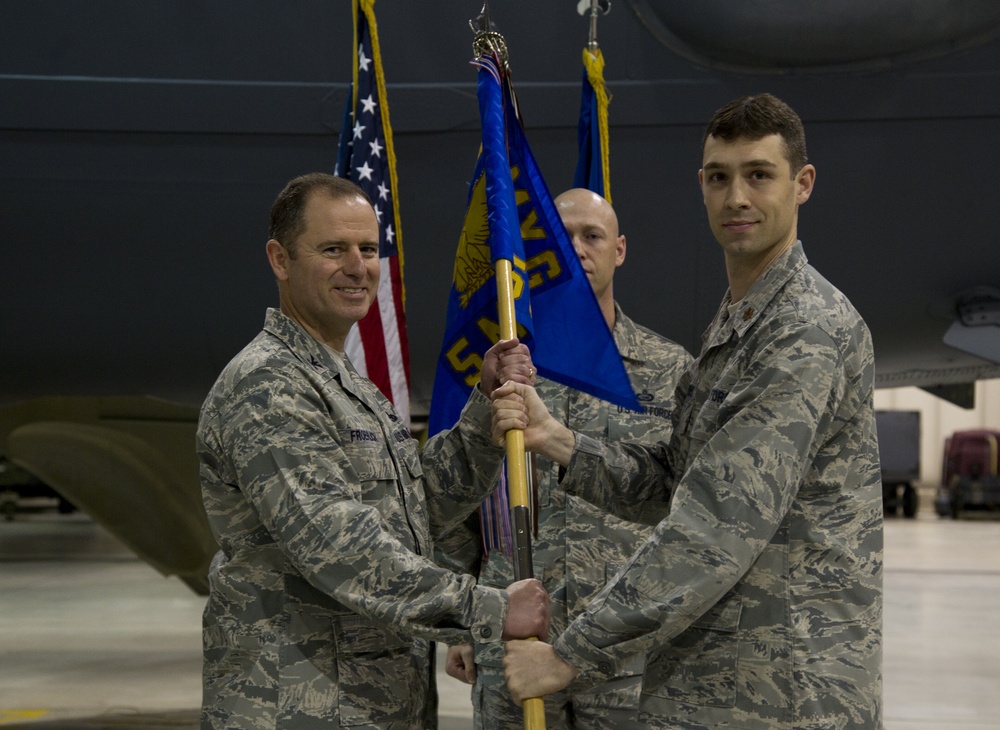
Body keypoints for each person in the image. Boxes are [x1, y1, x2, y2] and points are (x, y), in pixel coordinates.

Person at [496, 94, 883, 729]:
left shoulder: (803, 330)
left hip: (782, 691)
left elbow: (718, 519)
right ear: (701, 186)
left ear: (802, 184)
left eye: (760, 175)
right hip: (718, 682)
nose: (737, 197)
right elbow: (678, 484)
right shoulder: (738, 323)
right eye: (720, 177)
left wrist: (569, 654)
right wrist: (561, 441)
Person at [196, 173, 549, 729]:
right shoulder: (267, 385)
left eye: (368, 249)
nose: (358, 266)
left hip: (369, 702)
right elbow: (336, 544)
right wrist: (490, 608)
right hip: (298, 704)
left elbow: (416, 511)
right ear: (280, 259)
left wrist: (484, 412)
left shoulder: (347, 384)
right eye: (333, 249)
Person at [439, 189, 692, 729]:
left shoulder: (669, 370)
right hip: (518, 641)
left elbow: (688, 502)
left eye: (592, 236)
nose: (578, 248)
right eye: (563, 238)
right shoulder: (506, 366)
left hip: (626, 648)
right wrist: (463, 623)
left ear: (619, 249)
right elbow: (464, 498)